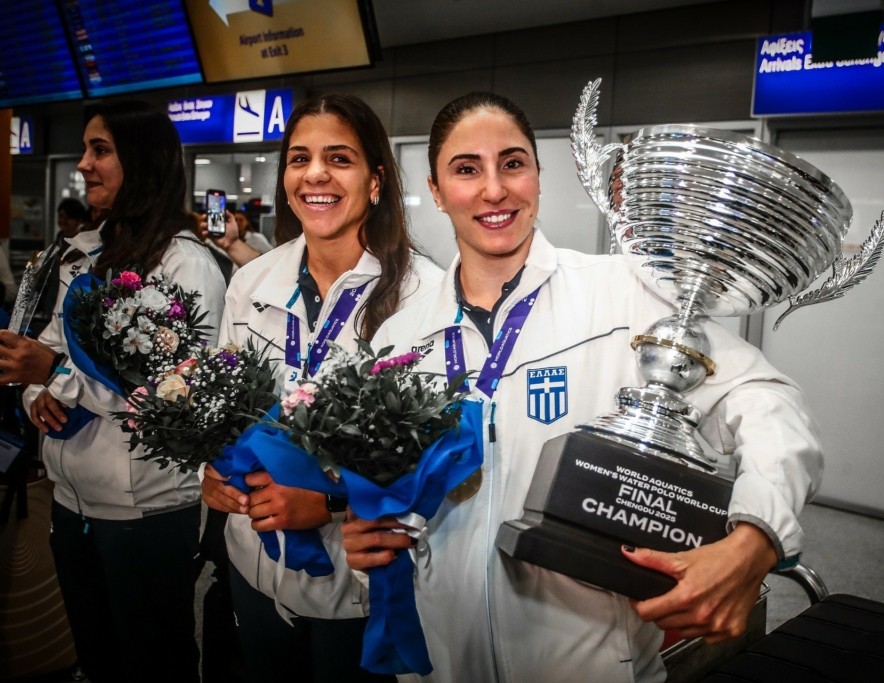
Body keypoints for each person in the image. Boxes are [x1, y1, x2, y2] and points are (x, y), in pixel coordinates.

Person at [341, 92, 824, 683]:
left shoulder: (623, 294)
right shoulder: (401, 337)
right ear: (437, 191)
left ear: (538, 176)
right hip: (441, 660)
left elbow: (769, 402)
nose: (494, 189)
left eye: (512, 163)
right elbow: (388, 497)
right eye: (467, 169)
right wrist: (368, 543)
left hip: (594, 663)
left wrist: (756, 539)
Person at [201, 93, 442, 683]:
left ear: (375, 180)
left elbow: (433, 462)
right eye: (299, 158)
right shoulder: (252, 281)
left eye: (338, 158)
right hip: (253, 567)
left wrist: (329, 504)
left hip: (358, 593)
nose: (314, 174)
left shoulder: (426, 296)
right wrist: (212, 471)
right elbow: (224, 403)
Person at [0, 101, 226, 683]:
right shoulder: (82, 253)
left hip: (145, 509)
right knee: (97, 658)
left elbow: (177, 400)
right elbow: (47, 347)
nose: (83, 164)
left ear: (143, 160)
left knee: (154, 663)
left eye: (100, 150)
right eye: (85, 149)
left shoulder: (186, 265)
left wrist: (55, 374)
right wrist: (36, 393)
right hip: (72, 501)